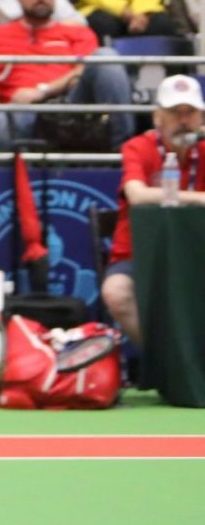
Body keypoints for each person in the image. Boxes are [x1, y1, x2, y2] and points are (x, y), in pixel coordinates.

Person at [0, 0, 135, 151]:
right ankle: (11, 180)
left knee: (106, 56)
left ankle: (123, 151)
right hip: (20, 110)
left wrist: (42, 91)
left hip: (69, 105)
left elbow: (84, 69)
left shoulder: (77, 32)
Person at [99, 75, 205, 350]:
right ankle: (165, 361)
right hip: (139, 255)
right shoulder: (138, 147)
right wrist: (199, 198)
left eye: (190, 113)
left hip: (196, 254)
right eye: (174, 113)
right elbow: (137, 194)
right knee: (116, 293)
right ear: (158, 117)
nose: (183, 121)